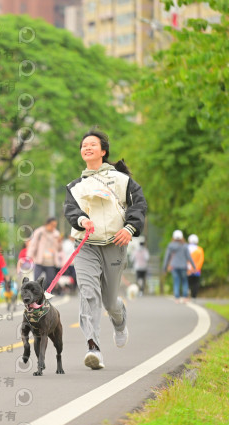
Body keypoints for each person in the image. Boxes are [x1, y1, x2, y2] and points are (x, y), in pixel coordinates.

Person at [64, 127, 147, 370]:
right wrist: (82, 220)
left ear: (103, 151)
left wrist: (130, 228)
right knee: (88, 294)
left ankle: (119, 322)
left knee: (110, 303)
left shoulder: (122, 180)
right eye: (84, 145)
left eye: (92, 144)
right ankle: (93, 348)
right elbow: (71, 210)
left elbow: (139, 205)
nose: (87, 147)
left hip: (114, 244)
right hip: (85, 245)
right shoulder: (75, 186)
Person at [26, 217, 61, 290]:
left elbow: (59, 249)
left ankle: (47, 294)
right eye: (52, 225)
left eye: (55, 226)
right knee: (36, 280)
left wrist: (59, 242)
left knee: (50, 282)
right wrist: (29, 256)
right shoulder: (39, 232)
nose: (53, 227)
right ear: (47, 224)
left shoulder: (56, 234)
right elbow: (33, 245)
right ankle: (36, 294)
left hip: (51, 262)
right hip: (40, 261)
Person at [163, 230, 197, 303]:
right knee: (184, 281)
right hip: (183, 266)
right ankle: (185, 297)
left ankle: (177, 298)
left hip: (174, 266)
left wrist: (164, 268)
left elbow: (167, 257)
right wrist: (194, 266)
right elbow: (189, 257)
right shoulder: (184, 245)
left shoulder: (170, 246)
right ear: (182, 237)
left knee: (176, 282)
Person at [187, 234, 204, 300]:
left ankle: (187, 293)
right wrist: (197, 268)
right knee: (195, 283)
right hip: (197, 270)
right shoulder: (199, 249)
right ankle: (194, 296)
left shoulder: (187, 249)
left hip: (188, 269)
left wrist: (189, 268)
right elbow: (201, 260)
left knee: (188, 282)